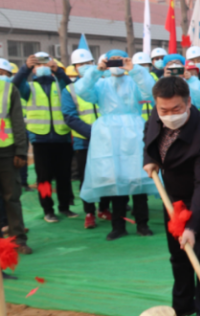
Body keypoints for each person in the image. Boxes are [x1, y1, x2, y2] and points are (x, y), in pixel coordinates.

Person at [142, 76, 200, 316]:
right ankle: (182, 304)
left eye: (176, 109)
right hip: (173, 195)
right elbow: (150, 136)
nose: (169, 115)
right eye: (164, 110)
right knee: (178, 254)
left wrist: (192, 226)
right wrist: (151, 160)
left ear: (189, 103)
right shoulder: (156, 116)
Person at [75, 50, 158, 240]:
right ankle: (118, 225)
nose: (116, 65)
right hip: (108, 135)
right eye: (112, 61)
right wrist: (96, 71)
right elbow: (81, 90)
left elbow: (151, 92)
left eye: (119, 61)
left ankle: (142, 224)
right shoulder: (101, 84)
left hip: (133, 131)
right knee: (116, 179)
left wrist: (135, 70)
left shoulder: (134, 82)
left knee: (138, 178)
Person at [12, 51, 77, 222]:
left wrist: (58, 71)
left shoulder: (59, 85)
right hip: (40, 139)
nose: (41, 67)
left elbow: (71, 88)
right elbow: (15, 85)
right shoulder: (29, 88)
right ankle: (48, 209)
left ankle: (65, 207)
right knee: (44, 178)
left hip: (62, 136)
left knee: (64, 176)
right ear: (33, 69)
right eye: (37, 64)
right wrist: (25, 68)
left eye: (44, 63)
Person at [62, 48, 106, 230]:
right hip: (84, 140)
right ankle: (89, 212)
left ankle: (104, 208)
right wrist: (93, 132)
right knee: (85, 177)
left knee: (106, 176)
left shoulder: (104, 83)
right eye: (80, 64)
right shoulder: (69, 90)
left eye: (87, 63)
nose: (84, 67)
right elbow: (69, 116)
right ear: (75, 68)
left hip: (106, 139)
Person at [0, 58, 31, 254]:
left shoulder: (8, 89)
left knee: (12, 197)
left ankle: (18, 239)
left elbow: (18, 122)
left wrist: (21, 150)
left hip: (6, 151)